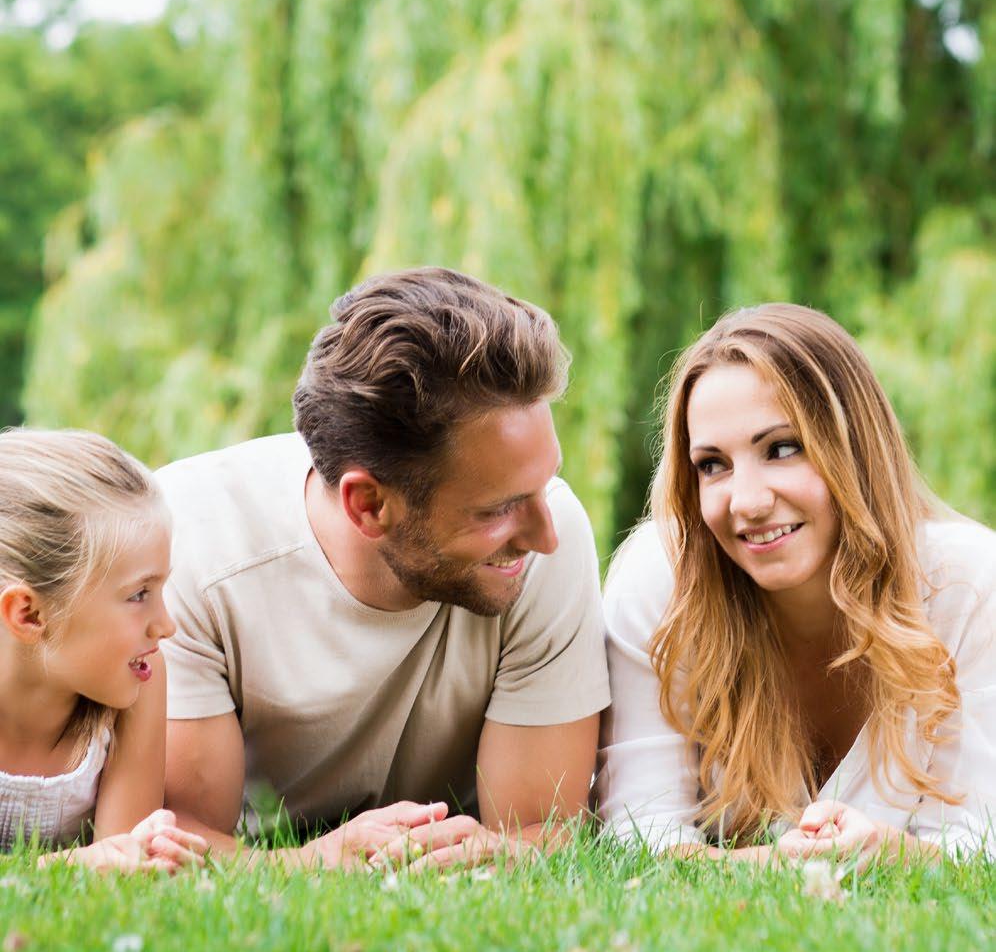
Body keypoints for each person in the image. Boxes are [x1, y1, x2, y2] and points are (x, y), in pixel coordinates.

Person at [161, 267, 609, 869]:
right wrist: (308, 864)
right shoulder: (190, 547)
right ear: (369, 505)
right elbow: (180, 841)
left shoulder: (549, 534)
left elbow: (538, 830)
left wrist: (494, 853)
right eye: (498, 509)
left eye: (544, 483)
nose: (545, 536)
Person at [595, 303, 996, 865]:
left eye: (782, 449)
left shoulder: (971, 586)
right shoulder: (659, 579)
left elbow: (981, 844)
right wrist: (776, 865)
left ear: (854, 448)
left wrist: (893, 855)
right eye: (713, 464)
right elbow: (637, 836)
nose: (749, 502)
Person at [0, 429, 206, 871]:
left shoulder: (142, 680)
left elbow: (122, 862)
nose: (166, 626)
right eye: (138, 595)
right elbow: (94, 865)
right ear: (30, 615)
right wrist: (66, 867)